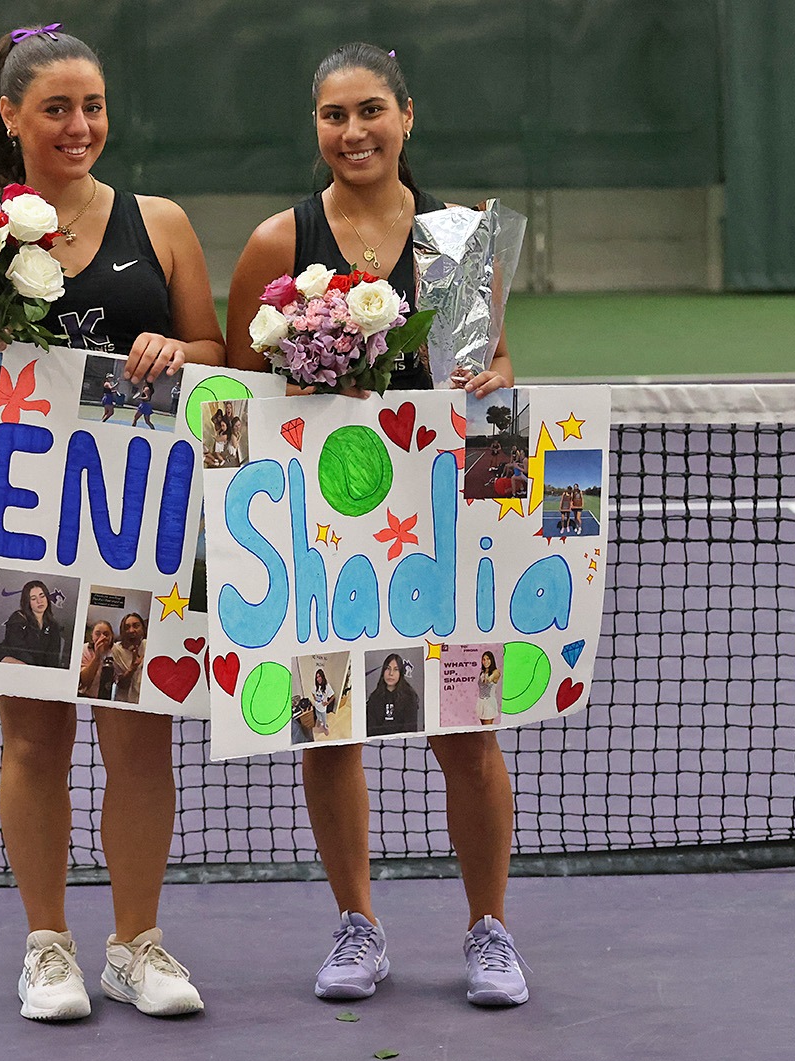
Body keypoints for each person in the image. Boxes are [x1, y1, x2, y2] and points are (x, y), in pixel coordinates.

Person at [224, 42, 528, 1009]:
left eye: (369, 112)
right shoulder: (280, 241)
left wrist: (491, 390)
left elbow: (496, 381)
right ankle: (357, 926)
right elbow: (234, 394)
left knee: (467, 733)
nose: (352, 132)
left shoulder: (457, 239)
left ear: (406, 116)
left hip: (435, 530)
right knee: (328, 730)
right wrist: (312, 383)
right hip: (321, 536)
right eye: (332, 116)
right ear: (316, 126)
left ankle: (490, 931)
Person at [0, 24, 226, 1022]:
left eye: (94, 106)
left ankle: (135, 945)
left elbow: (218, 347)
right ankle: (48, 949)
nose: (80, 125)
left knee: (139, 740)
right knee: (34, 742)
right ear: (10, 117)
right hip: (19, 524)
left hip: (139, 524)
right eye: (58, 108)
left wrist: (177, 348)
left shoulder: (160, 223)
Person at [0, 580, 70, 667]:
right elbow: (18, 650)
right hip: (9, 658)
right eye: (33, 598)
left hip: (35, 665)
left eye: (42, 596)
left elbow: (53, 656)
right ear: (27, 602)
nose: (39, 601)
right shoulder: (18, 618)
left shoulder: (53, 625)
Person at [363, 654, 421, 736]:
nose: (391, 673)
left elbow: (410, 729)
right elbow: (370, 729)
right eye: (388, 668)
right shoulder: (374, 698)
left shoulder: (410, 697)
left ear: (400, 673)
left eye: (396, 669)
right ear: (383, 671)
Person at [109, 611, 146, 704]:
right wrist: (132, 668)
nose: (131, 630)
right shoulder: (115, 650)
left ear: (143, 629)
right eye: (127, 627)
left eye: (136, 626)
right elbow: (121, 685)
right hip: (125, 703)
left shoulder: (149, 645)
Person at [78, 619, 117, 699]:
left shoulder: (116, 651)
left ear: (111, 636)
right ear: (92, 636)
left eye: (106, 634)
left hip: (105, 697)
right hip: (85, 695)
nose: (102, 637)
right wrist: (97, 657)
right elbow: (84, 682)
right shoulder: (84, 649)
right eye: (98, 634)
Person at [476, 651, 500, 725]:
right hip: (481, 701)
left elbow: (489, 679)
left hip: (489, 702)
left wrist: (487, 677)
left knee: (487, 728)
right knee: (483, 728)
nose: (485, 661)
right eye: (484, 659)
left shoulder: (495, 672)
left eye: (488, 659)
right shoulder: (482, 672)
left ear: (491, 660)